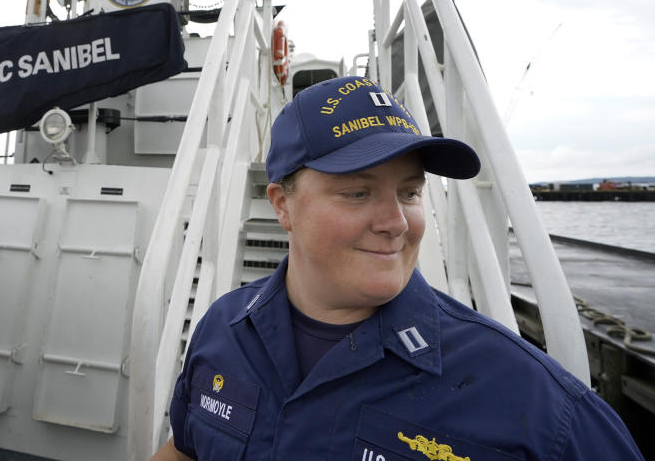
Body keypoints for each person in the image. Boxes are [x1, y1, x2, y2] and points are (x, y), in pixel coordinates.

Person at [151, 75, 643, 460]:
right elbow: (186, 450)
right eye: (358, 192)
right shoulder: (224, 328)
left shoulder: (530, 399)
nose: (395, 222)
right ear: (283, 206)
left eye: (409, 193)